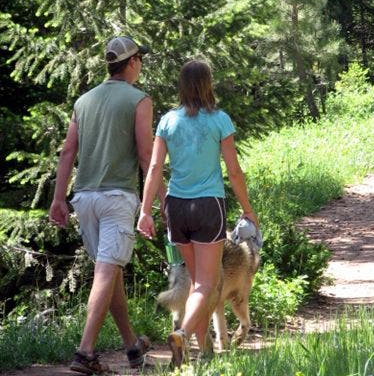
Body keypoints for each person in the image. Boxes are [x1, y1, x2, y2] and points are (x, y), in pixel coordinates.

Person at [49, 36, 164, 375]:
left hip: (84, 200)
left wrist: (59, 199)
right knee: (107, 270)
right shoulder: (139, 99)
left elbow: (68, 152)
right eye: (139, 59)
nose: (140, 64)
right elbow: (147, 156)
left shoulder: (83, 101)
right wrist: (161, 199)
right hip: (117, 199)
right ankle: (85, 353)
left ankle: (132, 347)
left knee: (109, 272)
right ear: (131, 63)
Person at [137, 58, 259, 368]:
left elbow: (153, 168)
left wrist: (145, 211)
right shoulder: (219, 120)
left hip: (176, 207)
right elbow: (233, 171)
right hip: (208, 207)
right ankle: (183, 333)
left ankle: (203, 357)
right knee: (206, 284)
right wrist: (248, 209)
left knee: (195, 285)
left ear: (181, 86)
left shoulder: (167, 121)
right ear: (208, 85)